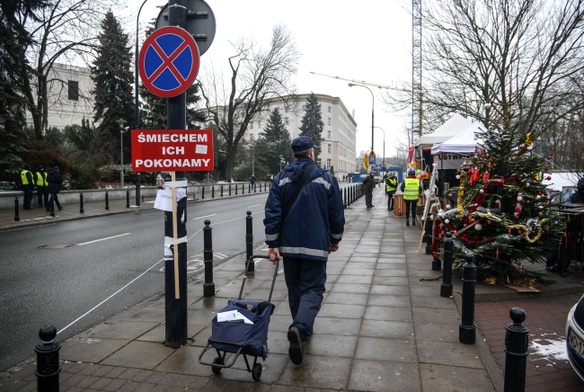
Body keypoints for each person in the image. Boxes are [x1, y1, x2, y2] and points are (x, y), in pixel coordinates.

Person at [264, 136, 345, 366]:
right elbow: (336, 213)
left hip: (288, 247)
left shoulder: (280, 179)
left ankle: (300, 328)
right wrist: (335, 239)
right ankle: (300, 327)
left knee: (295, 289)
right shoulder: (326, 179)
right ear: (311, 153)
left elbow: (272, 212)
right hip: (316, 246)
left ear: (294, 154)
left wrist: (273, 244)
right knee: (314, 289)